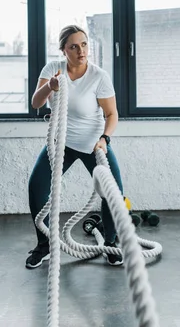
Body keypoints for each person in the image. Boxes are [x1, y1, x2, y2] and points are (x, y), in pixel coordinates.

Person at [25, 25, 125, 269]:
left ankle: (110, 242)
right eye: (73, 46)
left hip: (93, 145)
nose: (81, 51)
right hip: (62, 144)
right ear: (63, 50)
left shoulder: (98, 76)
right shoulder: (53, 70)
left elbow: (112, 114)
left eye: (84, 44)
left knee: (114, 193)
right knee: (36, 188)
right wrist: (50, 86)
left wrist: (105, 139)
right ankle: (44, 244)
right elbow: (36, 102)